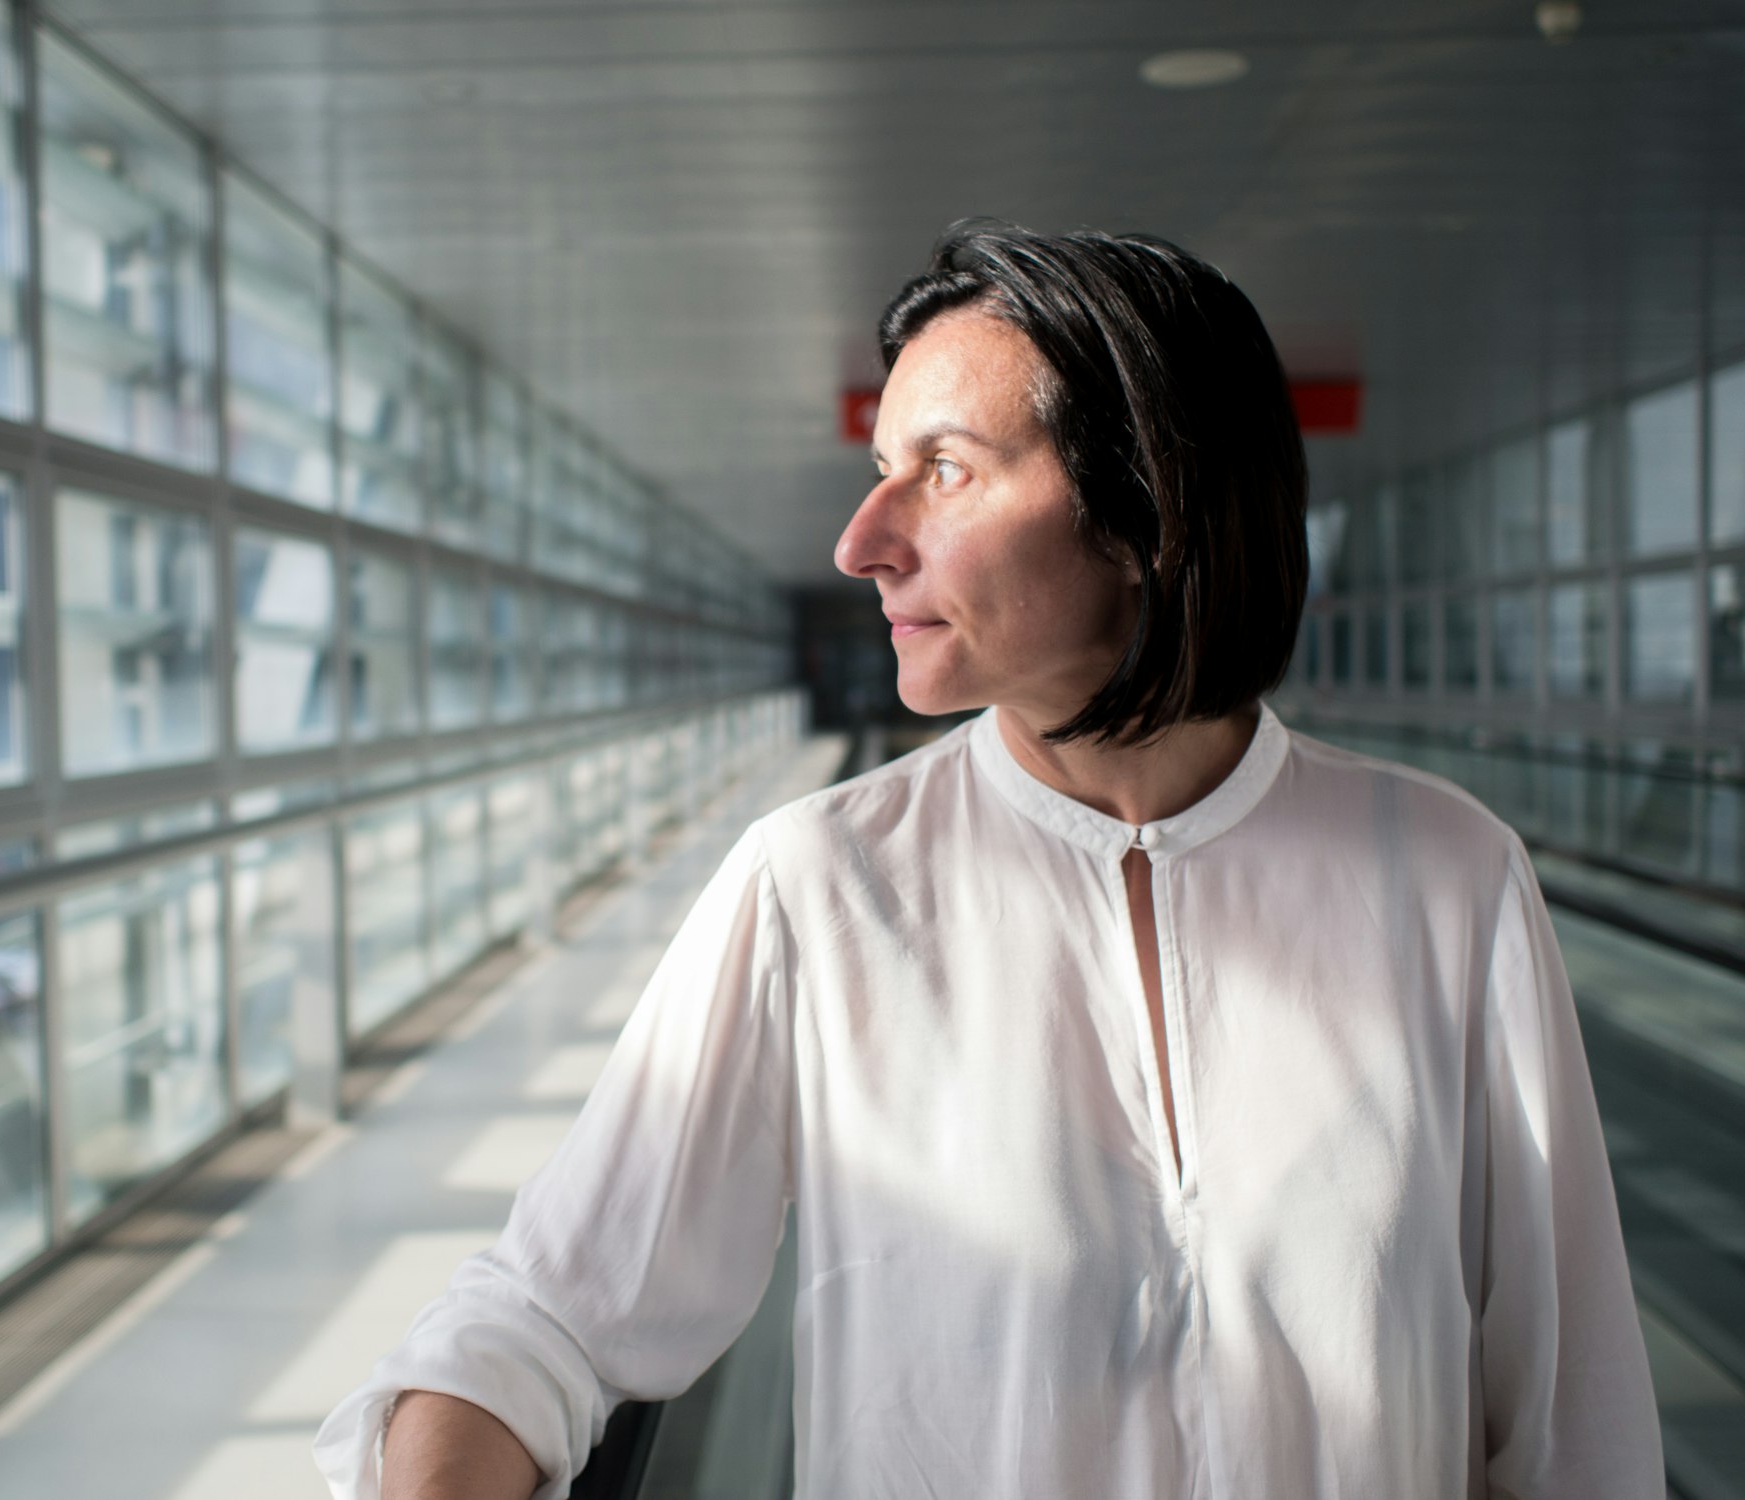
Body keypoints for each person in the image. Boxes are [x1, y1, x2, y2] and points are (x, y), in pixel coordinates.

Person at [315, 223, 1665, 1500]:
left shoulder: (1447, 879)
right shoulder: (820, 884)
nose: (863, 541)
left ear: (1148, 514)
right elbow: (548, 1312)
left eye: (945, 471)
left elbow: (1574, 1431)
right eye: (878, 470)